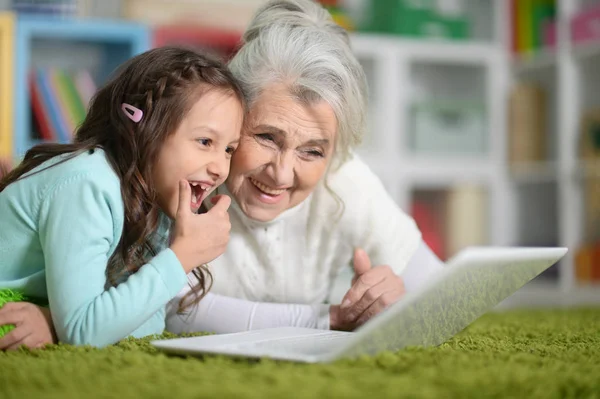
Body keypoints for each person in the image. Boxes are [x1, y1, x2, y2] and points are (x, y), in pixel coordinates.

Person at [2, 0, 444, 349]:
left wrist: (397, 300)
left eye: (313, 150)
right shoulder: (176, 185)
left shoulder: (347, 181)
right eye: (266, 137)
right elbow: (169, 310)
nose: (282, 173)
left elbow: (447, 292)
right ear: (229, 113)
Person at [0, 46, 244, 349]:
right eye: (205, 141)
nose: (220, 168)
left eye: (229, 149)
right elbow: (84, 334)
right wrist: (181, 257)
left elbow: (149, 325)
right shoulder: (88, 183)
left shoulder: (153, 195)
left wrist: (57, 321)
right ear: (142, 129)